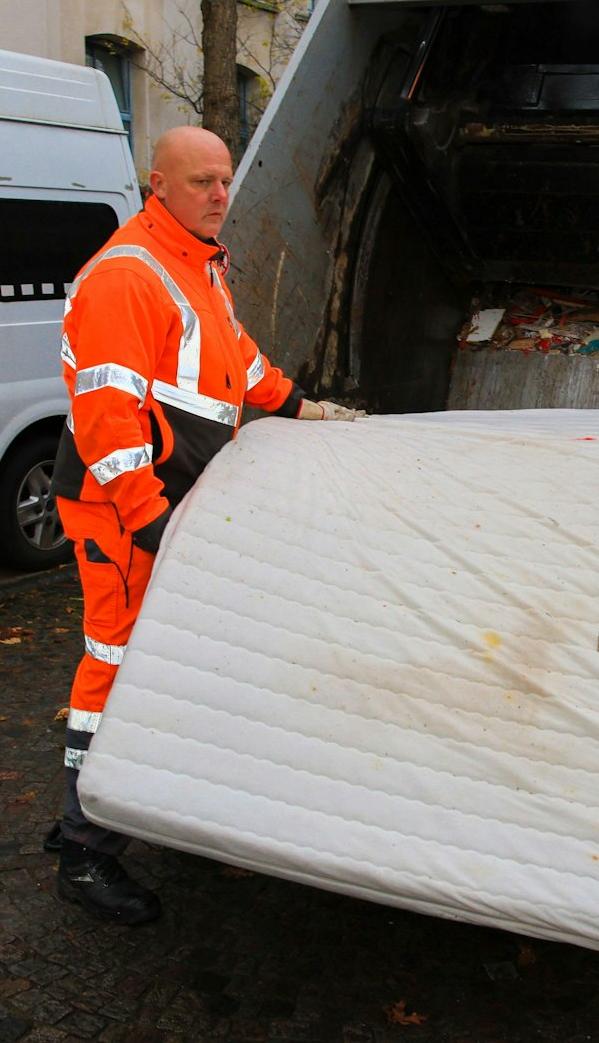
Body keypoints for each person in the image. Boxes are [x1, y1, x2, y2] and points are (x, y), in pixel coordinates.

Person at [50, 125, 362, 925]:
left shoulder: (197, 262)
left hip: (172, 498)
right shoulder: (129, 276)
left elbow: (235, 360)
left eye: (225, 180)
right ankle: (86, 848)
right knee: (115, 665)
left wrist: (301, 406)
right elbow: (107, 422)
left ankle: (141, 802)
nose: (221, 195)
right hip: (125, 509)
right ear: (159, 185)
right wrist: (152, 523)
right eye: (201, 182)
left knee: (171, 656)